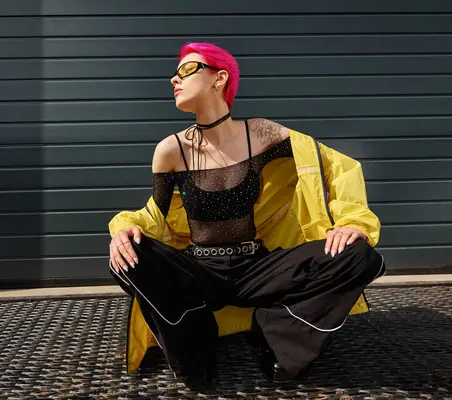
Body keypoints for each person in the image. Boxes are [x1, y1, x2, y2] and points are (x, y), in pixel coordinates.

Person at [107, 42, 386, 389]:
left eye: (186, 70)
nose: (173, 79)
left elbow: (334, 164)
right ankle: (195, 337)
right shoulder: (171, 150)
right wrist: (125, 228)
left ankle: (275, 333)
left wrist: (351, 221)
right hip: (200, 271)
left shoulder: (262, 133)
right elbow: (155, 215)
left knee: (359, 257)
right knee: (127, 258)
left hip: (258, 267)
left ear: (219, 78)